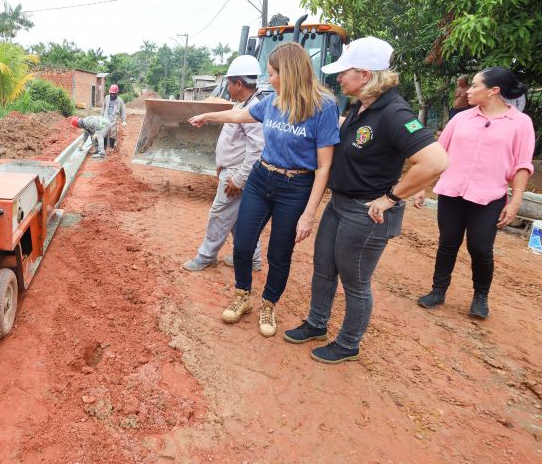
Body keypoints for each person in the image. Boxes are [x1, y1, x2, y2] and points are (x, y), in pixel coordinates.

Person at [282, 36, 448, 363]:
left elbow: (436, 161)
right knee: (323, 267)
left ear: (366, 75)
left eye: (345, 72)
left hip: (367, 213)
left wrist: (391, 198)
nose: (339, 78)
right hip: (340, 203)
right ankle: (317, 323)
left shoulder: (394, 113)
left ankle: (348, 343)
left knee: (355, 280)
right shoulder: (361, 106)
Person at [189, 42, 340, 338]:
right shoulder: (273, 102)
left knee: (279, 253)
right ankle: (243, 295)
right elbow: (238, 115)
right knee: (243, 244)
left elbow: (324, 167)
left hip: (296, 187)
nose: (268, 80)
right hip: (261, 178)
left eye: (272, 73)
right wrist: (207, 117)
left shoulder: (323, 107)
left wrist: (309, 213)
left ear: (290, 72)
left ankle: (269, 304)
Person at [416, 67, 534, 318]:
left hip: (489, 196)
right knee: (447, 243)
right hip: (452, 192)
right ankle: (438, 290)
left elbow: (522, 165)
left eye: (474, 86)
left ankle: (480, 297)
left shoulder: (521, 123)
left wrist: (516, 201)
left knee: (480, 248)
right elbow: (438, 153)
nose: (468, 90)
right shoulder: (460, 119)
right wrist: (420, 186)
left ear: (493, 91)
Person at [183, 55, 265, 272]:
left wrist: (238, 179)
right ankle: (253, 258)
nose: (227, 87)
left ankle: (206, 256)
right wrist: (207, 116)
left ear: (239, 83)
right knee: (237, 219)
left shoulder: (255, 109)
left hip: (237, 174)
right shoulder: (244, 104)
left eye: (228, 82)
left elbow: (257, 151)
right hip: (232, 171)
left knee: (219, 214)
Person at [101, 84, 126, 150]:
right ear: (109, 92)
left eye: (114, 94)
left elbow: (122, 111)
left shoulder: (120, 101)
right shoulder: (106, 98)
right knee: (104, 132)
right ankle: (104, 147)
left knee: (113, 133)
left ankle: (111, 148)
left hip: (114, 119)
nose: (112, 95)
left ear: (117, 93)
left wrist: (124, 120)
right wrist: (101, 116)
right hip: (105, 118)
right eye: (111, 93)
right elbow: (103, 108)